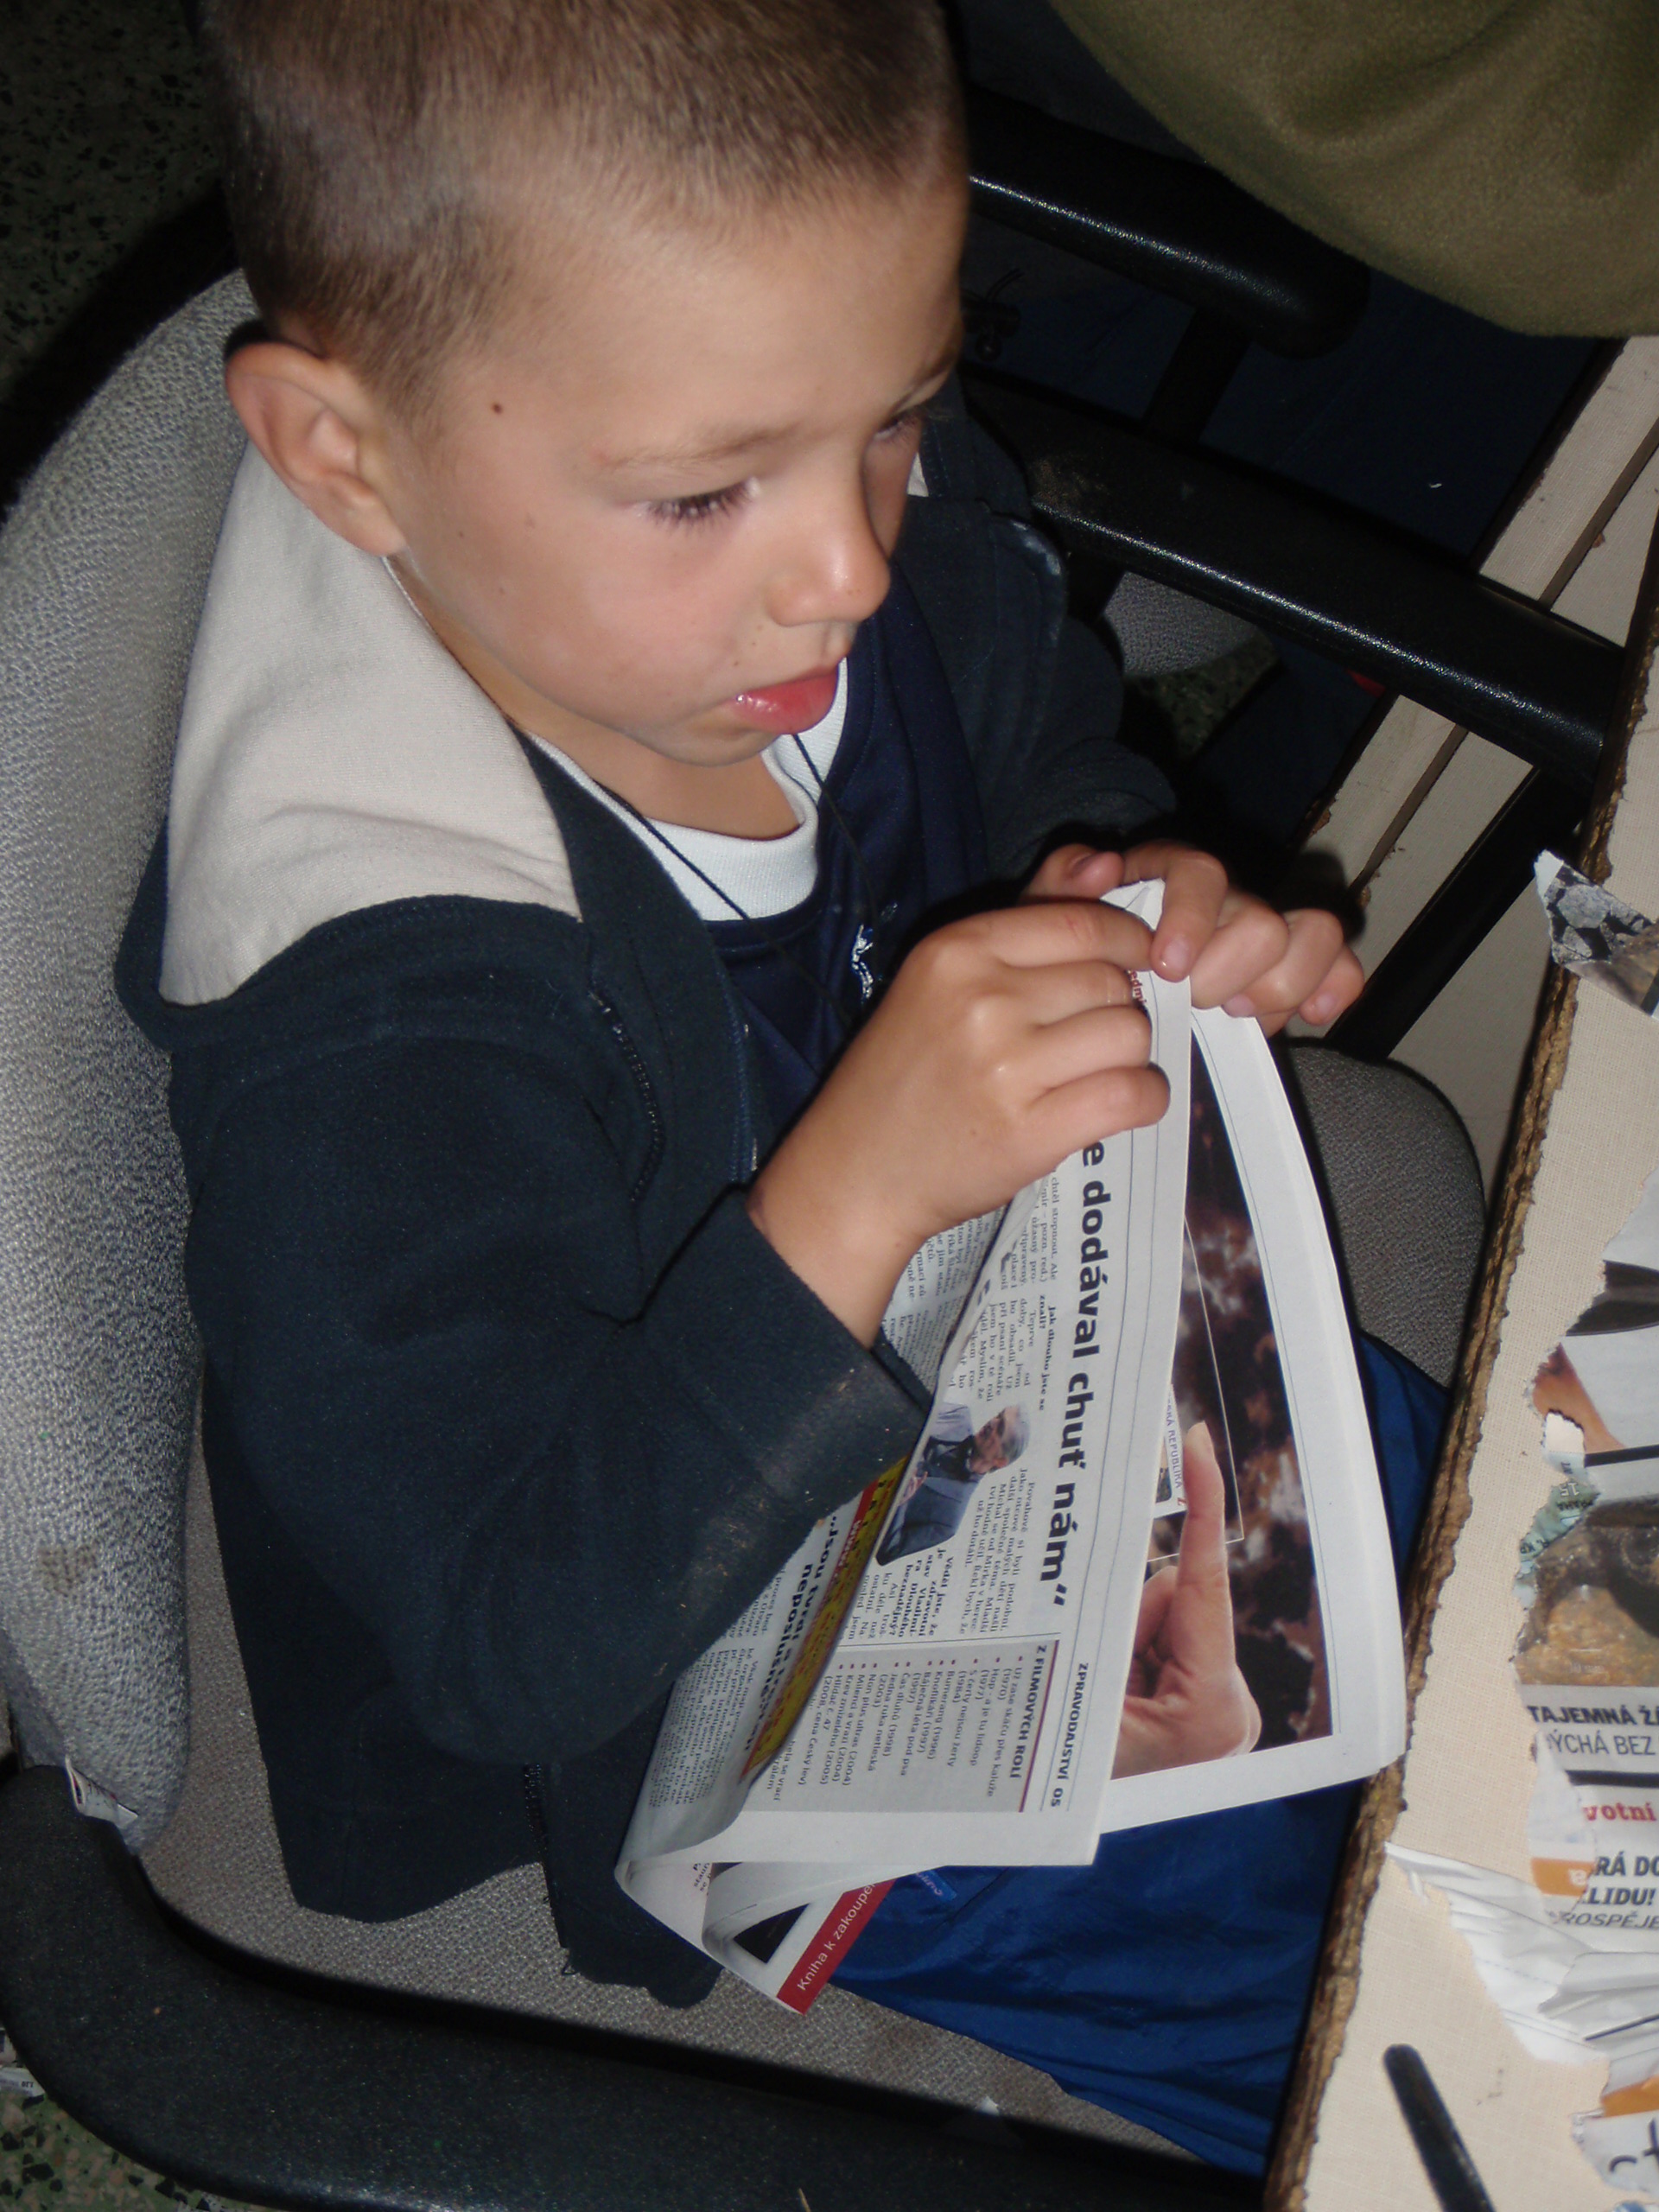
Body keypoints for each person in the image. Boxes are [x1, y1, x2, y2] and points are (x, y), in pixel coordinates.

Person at [116, 0, 1362, 2045]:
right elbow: (506, 1639)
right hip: (682, 1700)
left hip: (995, 1367)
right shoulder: (375, 1011)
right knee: (1366, 1981)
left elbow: (1025, 708)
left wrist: (1114, 878)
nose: (850, 562)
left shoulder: (770, 464)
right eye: (705, 497)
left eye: (902, 413)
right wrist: (852, 1196)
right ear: (347, 457)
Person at [874, 1400, 1030, 1563]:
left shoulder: (949, 1519)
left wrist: (900, 1503)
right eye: (998, 1416)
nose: (992, 1423)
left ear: (1000, 1461)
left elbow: (889, 1551)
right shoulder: (958, 1415)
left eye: (1000, 1429)